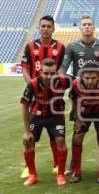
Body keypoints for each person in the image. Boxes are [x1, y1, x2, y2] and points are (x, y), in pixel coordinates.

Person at [59, 15, 99, 175]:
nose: (87, 27)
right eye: (84, 24)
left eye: (89, 24)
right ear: (80, 28)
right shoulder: (72, 46)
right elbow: (64, 67)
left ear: (94, 27)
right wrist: (60, 81)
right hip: (80, 94)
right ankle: (73, 165)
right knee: (78, 132)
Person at [20, 15, 65, 178]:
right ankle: (28, 167)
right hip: (35, 96)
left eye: (49, 26)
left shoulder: (60, 47)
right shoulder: (30, 46)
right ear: (39, 27)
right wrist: (33, 85)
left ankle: (56, 164)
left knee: (56, 135)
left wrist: (55, 87)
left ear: (53, 29)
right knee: (30, 134)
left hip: (54, 97)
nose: (46, 29)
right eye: (43, 26)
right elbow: (25, 69)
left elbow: (61, 70)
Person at [20, 58, 70, 186]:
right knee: (28, 142)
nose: (49, 76)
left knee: (60, 141)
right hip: (37, 116)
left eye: (52, 73)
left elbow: (80, 81)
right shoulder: (33, 84)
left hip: (56, 115)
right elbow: (25, 106)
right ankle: (32, 175)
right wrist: (26, 131)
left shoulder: (64, 80)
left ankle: (60, 174)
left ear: (57, 72)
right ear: (40, 72)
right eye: (46, 73)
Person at [68, 63, 99, 183]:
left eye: (93, 78)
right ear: (81, 76)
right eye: (86, 78)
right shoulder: (76, 84)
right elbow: (73, 99)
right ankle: (76, 172)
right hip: (83, 113)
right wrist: (78, 119)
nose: (89, 81)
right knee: (77, 138)